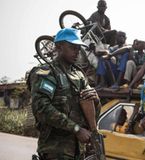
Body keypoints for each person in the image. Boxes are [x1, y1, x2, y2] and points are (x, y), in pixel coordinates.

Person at [28, 28, 100, 159]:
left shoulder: (79, 75)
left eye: (79, 48)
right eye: (73, 47)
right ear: (58, 47)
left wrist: (96, 100)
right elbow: (41, 108)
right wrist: (76, 129)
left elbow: (90, 112)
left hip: (79, 151)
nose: (77, 52)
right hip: (56, 150)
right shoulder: (46, 73)